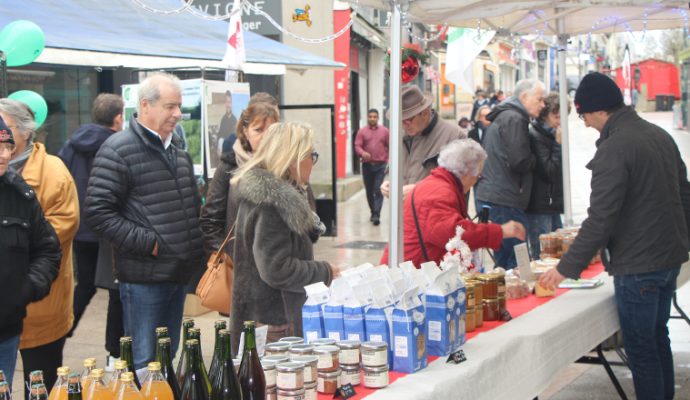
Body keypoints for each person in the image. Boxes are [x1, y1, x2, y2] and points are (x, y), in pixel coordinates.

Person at [539, 72, 690, 400]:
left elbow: (601, 218)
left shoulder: (614, 149)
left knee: (642, 350)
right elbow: (684, 195)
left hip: (639, 266)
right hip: (668, 257)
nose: (585, 124)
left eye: (583, 116)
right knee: (657, 339)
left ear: (596, 111)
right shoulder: (658, 135)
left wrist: (566, 267)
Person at [84, 73, 204, 369]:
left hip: (177, 273)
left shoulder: (177, 152)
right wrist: (149, 243)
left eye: (179, 106)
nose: (177, 114)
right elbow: (98, 213)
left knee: (168, 353)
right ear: (145, 105)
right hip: (144, 278)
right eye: (170, 106)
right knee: (144, 359)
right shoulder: (118, 149)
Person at [229, 121, 339, 351]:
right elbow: (276, 269)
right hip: (275, 322)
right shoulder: (273, 203)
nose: (313, 162)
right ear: (293, 158)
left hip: (267, 317)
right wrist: (325, 271)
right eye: (311, 155)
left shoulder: (277, 196)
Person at [0, 99, 80, 397]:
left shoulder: (51, 171)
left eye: (4, 129)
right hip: (7, 316)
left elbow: (59, 231)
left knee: (40, 384)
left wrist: (23, 283)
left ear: (22, 132)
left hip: (39, 309)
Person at [380, 139, 525, 267]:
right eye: (478, 176)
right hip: (410, 276)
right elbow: (455, 234)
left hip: (412, 268)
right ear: (466, 173)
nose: (475, 182)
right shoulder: (440, 192)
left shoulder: (439, 183)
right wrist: (500, 231)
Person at [58, 93, 125, 366]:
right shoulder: (117, 145)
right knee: (116, 291)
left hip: (81, 228)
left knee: (84, 285)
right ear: (119, 118)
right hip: (106, 230)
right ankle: (114, 353)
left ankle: (61, 333)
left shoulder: (71, 144)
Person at [0, 118, 60, 387]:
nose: (4, 154)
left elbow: (47, 249)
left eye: (7, 146)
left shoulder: (20, 194)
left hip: (6, 331)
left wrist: (25, 289)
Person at [474, 79, 545, 269]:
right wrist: (537, 157)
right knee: (517, 264)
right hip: (504, 198)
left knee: (505, 261)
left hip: (497, 195)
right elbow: (520, 160)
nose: (542, 104)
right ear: (524, 97)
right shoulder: (514, 118)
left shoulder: (507, 115)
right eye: (539, 99)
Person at [200, 101, 279, 259]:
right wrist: (226, 257)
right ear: (245, 131)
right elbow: (210, 219)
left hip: (275, 263)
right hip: (239, 265)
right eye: (258, 130)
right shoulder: (229, 166)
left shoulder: (283, 166)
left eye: (270, 130)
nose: (264, 136)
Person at [380, 85, 465, 199]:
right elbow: (393, 166)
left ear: (424, 113)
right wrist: (388, 180)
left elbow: (461, 182)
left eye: (408, 120)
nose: (404, 126)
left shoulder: (455, 136)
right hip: (405, 212)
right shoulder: (400, 134)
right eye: (400, 121)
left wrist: (420, 189)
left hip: (436, 213)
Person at [526, 93, 569, 259]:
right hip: (540, 205)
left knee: (558, 252)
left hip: (552, 204)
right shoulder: (537, 136)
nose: (559, 122)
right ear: (545, 114)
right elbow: (550, 170)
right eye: (556, 117)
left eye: (563, 117)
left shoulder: (551, 134)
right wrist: (558, 146)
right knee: (544, 255)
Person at [354, 109, 389, 226]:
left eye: (375, 117)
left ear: (378, 118)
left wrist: (389, 161)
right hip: (367, 166)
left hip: (381, 166)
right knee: (369, 191)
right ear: (367, 117)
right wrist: (362, 153)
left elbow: (390, 146)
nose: (373, 118)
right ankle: (373, 211)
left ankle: (376, 214)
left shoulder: (385, 131)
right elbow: (357, 145)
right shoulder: (362, 132)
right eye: (370, 116)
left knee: (377, 189)